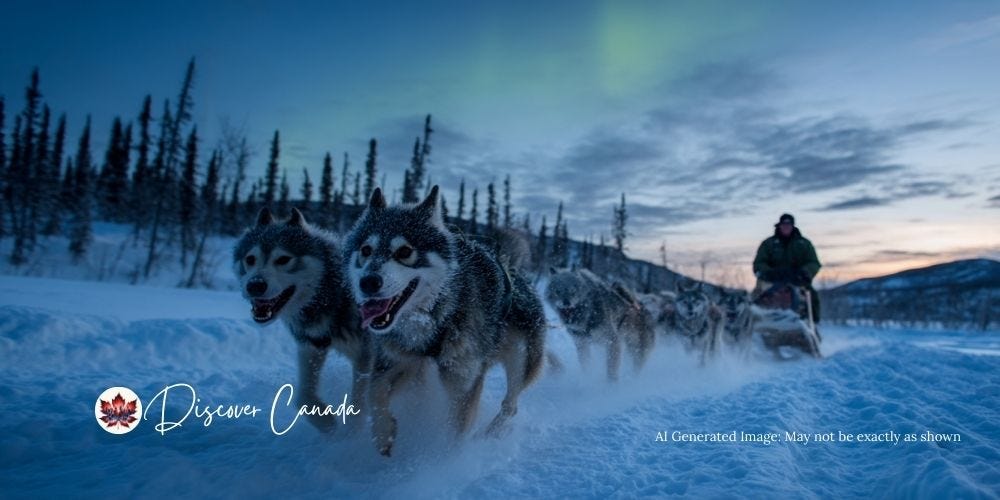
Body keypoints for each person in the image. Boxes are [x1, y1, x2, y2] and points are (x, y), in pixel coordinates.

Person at [753, 213, 821, 324]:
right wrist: (767, 272)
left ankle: (813, 324)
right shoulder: (768, 244)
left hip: (797, 280)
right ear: (779, 226)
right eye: (783, 224)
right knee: (754, 297)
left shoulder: (804, 244)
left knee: (812, 297)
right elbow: (759, 263)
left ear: (793, 226)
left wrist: (804, 272)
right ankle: (751, 322)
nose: (786, 227)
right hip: (772, 280)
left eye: (788, 224)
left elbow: (813, 262)